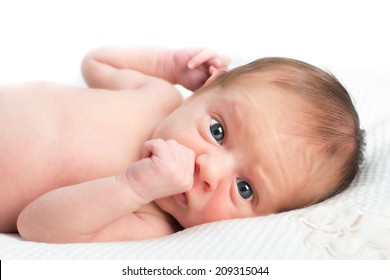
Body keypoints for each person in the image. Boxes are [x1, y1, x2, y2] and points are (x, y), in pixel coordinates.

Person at [0, 45, 365, 243]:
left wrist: (131, 186)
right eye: (218, 132)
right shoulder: (157, 94)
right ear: (203, 91)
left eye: (245, 188)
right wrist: (168, 65)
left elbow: (37, 225)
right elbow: (96, 61)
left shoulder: (150, 218)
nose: (208, 169)